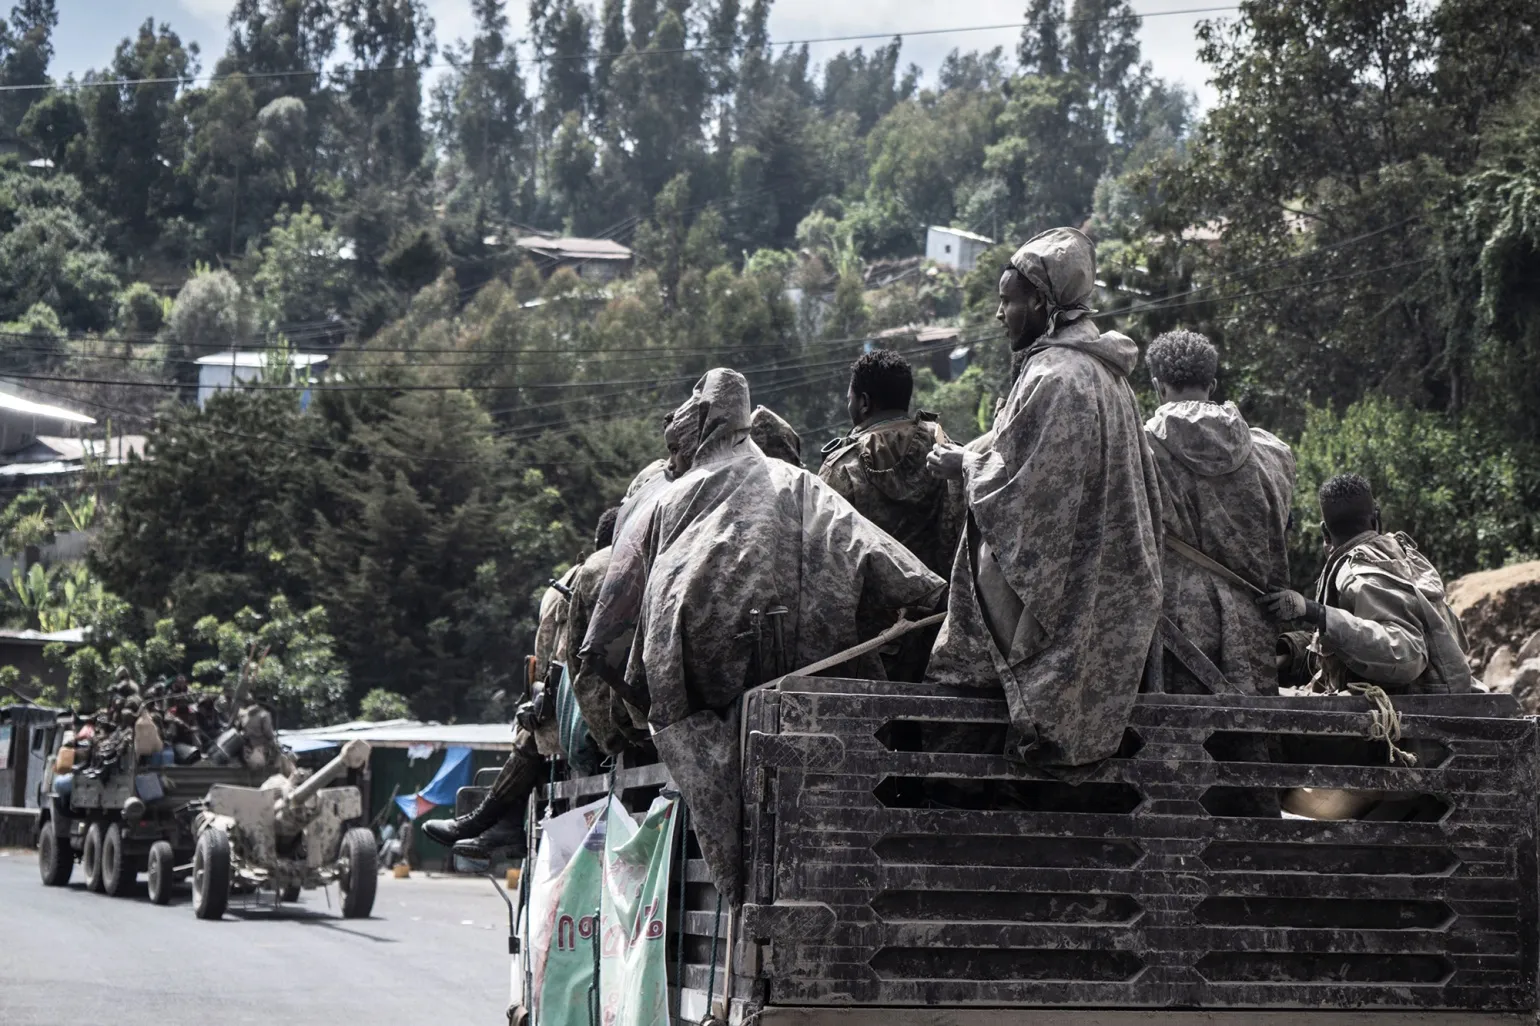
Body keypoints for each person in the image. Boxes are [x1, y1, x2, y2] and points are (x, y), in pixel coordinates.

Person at [634, 368, 946, 900]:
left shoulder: (669, 502)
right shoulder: (808, 486)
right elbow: (902, 573)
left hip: (716, 723)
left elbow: (620, 649)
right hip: (830, 713)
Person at [925, 226, 1163, 770]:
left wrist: (962, 462)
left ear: (1040, 300)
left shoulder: (1056, 377)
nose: (1000, 313)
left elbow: (1029, 493)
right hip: (1104, 589)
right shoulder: (1101, 374)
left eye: (1008, 301)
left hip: (1061, 601)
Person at [1145, 329, 1295, 694]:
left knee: (1172, 741)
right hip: (1252, 629)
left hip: (1172, 630)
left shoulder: (1138, 449)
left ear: (1157, 386)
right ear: (1212, 384)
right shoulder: (1272, 454)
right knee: (1249, 741)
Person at [1261, 474, 1474, 694]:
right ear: (1376, 520)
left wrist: (1316, 612)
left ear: (1325, 531)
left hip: (1411, 712)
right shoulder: (1402, 556)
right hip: (1449, 698)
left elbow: (1407, 654)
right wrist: (1292, 653)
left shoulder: (1357, 574)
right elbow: (1349, 645)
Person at [818, 349, 963, 577]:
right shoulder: (944, 446)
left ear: (864, 402)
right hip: (949, 602)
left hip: (876, 611)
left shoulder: (842, 467)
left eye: (850, 399)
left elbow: (824, 555)